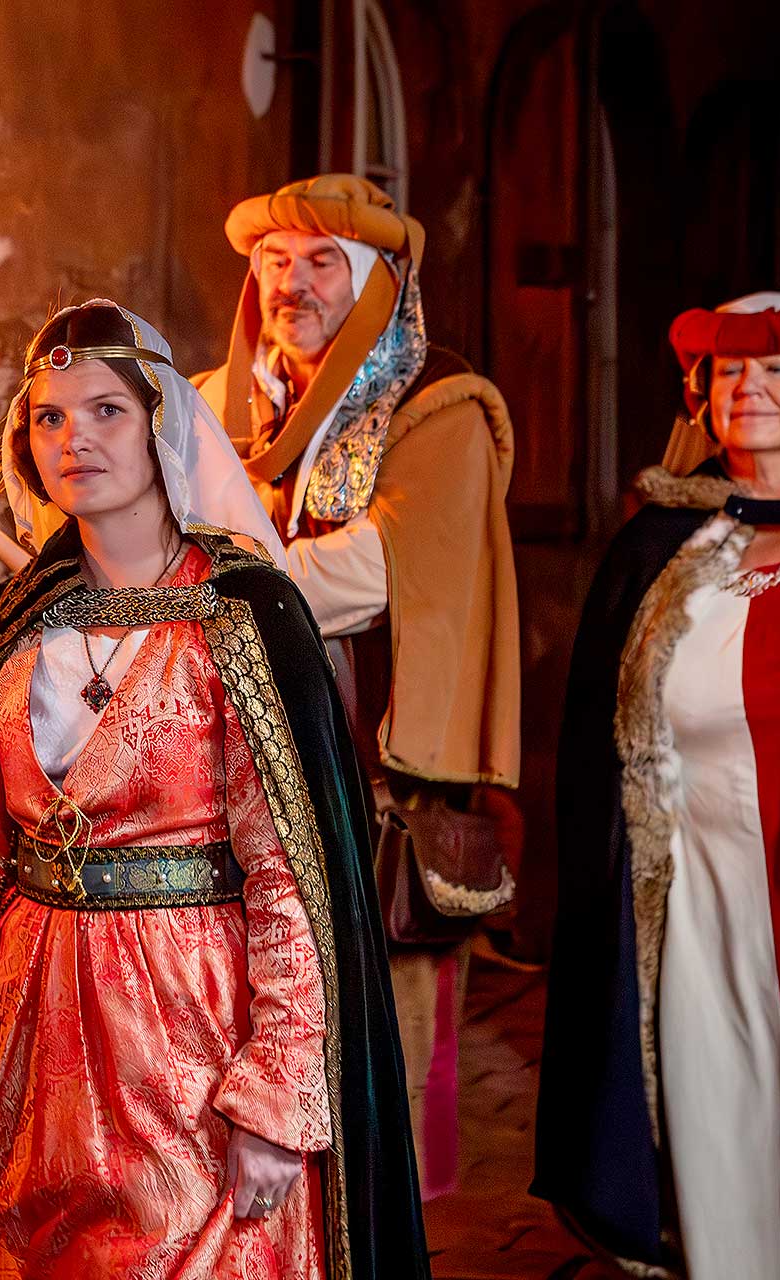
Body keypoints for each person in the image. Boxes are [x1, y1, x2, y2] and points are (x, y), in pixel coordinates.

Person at [0, 300, 428, 1278]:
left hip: (191, 1039)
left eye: (106, 409)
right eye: (50, 417)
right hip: (23, 1044)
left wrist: (275, 1097)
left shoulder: (242, 615)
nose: (75, 438)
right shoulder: (16, 623)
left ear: (161, 424)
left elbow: (290, 878)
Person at [534, 293, 780, 1277]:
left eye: (778, 368)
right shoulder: (659, 544)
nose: (750, 388)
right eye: (730, 371)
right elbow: (593, 766)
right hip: (697, 913)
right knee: (715, 1142)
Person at [194, 173, 521, 1198]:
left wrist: (197, 577)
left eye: (322, 262)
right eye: (274, 261)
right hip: (224, 761)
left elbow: (381, 571)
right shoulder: (208, 405)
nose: (291, 284)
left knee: (382, 1019)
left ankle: (383, 1219)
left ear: (378, 282)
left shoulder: (439, 404)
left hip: (367, 766)